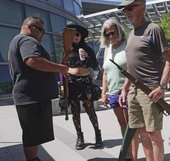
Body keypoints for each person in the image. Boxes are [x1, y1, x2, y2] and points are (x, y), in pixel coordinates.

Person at [8, 16, 89, 161]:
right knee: (32, 136)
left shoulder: (20, 40)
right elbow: (33, 60)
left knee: (33, 135)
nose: (43, 34)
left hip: (31, 97)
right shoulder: (27, 40)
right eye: (41, 30)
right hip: (31, 97)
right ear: (30, 27)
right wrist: (63, 68)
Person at [118, 0, 170, 161]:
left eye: (129, 7)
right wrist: (125, 89)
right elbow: (131, 66)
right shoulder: (130, 34)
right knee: (142, 132)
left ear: (142, 6)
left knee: (153, 134)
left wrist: (162, 87)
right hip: (133, 91)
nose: (125, 12)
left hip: (150, 89)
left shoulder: (153, 29)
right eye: (123, 9)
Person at [100, 18, 139, 161]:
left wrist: (124, 89)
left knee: (131, 127)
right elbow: (105, 72)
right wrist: (104, 93)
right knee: (122, 124)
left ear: (119, 30)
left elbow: (132, 69)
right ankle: (128, 155)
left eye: (113, 32)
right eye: (107, 34)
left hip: (128, 91)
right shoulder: (108, 48)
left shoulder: (128, 45)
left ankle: (133, 158)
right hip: (113, 93)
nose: (110, 36)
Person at [65, 24, 103, 150]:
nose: (75, 36)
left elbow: (95, 66)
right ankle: (79, 137)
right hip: (72, 84)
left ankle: (98, 134)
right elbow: (61, 67)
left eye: (77, 34)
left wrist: (87, 56)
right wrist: (61, 84)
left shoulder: (87, 49)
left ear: (81, 36)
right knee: (75, 112)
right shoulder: (66, 50)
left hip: (86, 84)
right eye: (73, 34)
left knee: (90, 109)